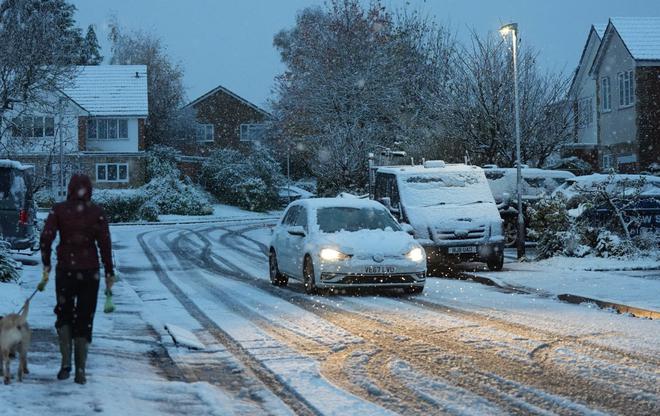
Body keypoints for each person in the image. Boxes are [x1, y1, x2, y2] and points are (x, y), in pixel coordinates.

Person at [38, 173, 115, 385]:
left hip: (65, 272)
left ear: (70, 188)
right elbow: (105, 245)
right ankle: (81, 370)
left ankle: (65, 363)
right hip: (90, 272)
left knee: (64, 314)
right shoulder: (97, 212)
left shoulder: (59, 210)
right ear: (89, 189)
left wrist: (46, 262)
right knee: (84, 317)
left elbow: (46, 237)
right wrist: (109, 271)